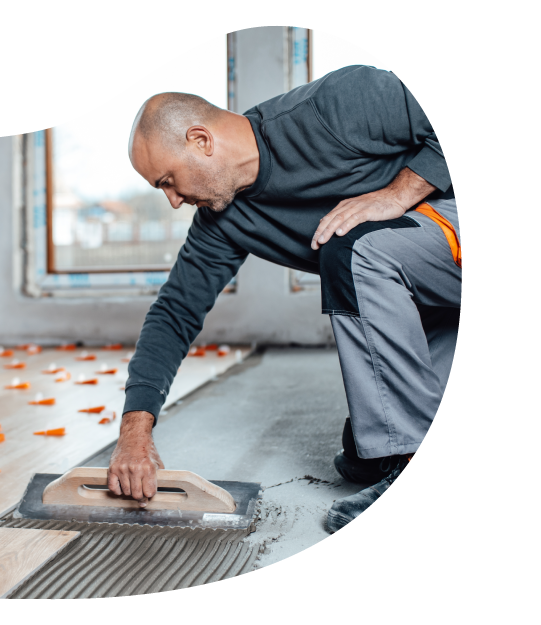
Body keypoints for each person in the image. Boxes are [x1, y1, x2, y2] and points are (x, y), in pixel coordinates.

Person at [108, 65, 459, 532]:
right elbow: (175, 311)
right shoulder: (223, 220)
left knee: (353, 245)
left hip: (447, 227)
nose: (172, 200)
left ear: (201, 140)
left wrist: (399, 194)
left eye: (167, 180)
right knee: (366, 449)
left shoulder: (338, 104)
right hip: (424, 284)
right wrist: (134, 430)